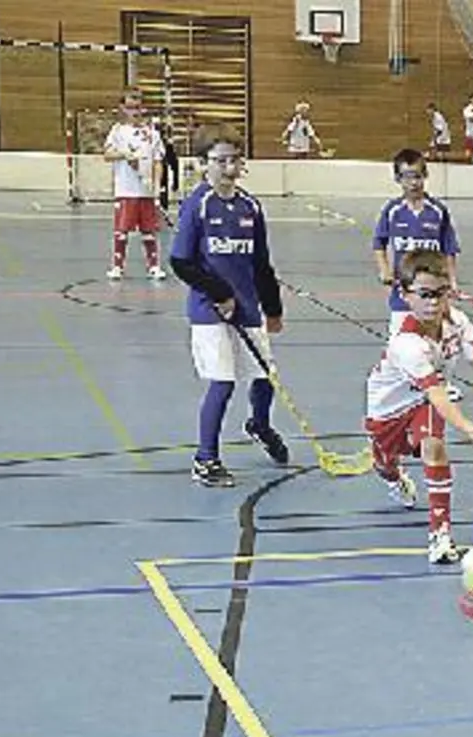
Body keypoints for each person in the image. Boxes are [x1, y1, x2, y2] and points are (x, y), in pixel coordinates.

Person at [169, 124, 289, 488]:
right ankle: (205, 459)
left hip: (248, 307)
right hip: (209, 310)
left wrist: (273, 309)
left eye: (235, 160)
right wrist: (219, 294)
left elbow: (261, 264)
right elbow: (181, 262)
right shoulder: (198, 205)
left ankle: (260, 425)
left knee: (265, 376)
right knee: (222, 382)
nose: (229, 168)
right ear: (203, 163)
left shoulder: (251, 206)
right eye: (220, 161)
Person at [364, 250, 473, 566]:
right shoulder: (407, 344)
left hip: (424, 401)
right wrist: (472, 432)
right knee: (384, 464)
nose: (434, 303)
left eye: (440, 293)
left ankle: (440, 533)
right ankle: (394, 477)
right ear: (405, 294)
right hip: (389, 410)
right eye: (424, 295)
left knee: (434, 446)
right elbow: (438, 394)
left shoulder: (458, 322)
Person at [372, 148, 463, 399]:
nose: (413, 183)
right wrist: (384, 269)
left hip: (433, 291)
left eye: (418, 176)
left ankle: (441, 384)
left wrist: (451, 280)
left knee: (441, 339)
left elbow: (449, 249)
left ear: (425, 176)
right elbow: (379, 244)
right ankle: (401, 384)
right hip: (405, 293)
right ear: (398, 179)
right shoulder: (392, 211)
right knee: (399, 340)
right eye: (407, 177)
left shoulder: (438, 211)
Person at [101, 88, 167, 280]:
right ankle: (117, 267)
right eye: (130, 107)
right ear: (123, 108)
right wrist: (124, 154)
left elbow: (158, 161)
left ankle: (154, 266)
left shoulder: (152, 133)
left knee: (149, 231)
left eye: (138, 107)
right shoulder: (118, 131)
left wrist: (156, 186)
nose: (135, 112)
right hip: (126, 190)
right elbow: (107, 155)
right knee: (122, 231)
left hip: (145, 191)